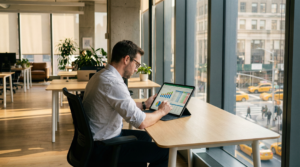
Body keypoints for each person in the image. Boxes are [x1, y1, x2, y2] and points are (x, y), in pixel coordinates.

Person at [82, 40, 172, 167]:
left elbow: (123, 103)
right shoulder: (113, 83)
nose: (136, 69)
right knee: (164, 152)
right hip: (105, 147)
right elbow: (142, 123)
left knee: (145, 138)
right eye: (136, 64)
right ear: (126, 59)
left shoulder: (100, 75)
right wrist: (162, 111)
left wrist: (145, 104)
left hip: (96, 140)